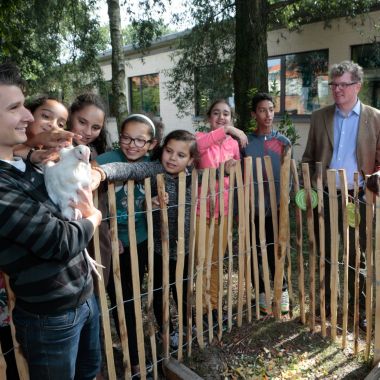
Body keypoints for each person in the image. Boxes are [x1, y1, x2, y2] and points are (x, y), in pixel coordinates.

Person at [0, 62, 102, 379]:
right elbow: (60, 241)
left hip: (84, 299)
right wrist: (93, 217)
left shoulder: (26, 162)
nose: (29, 116)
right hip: (50, 319)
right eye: (15, 107)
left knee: (90, 372)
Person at [95, 129, 198, 353]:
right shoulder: (155, 170)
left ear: (190, 160)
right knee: (161, 291)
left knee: (183, 289)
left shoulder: (195, 176)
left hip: (185, 248)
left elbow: (218, 174)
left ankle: (187, 325)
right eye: (169, 151)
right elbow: (131, 169)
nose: (172, 158)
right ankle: (167, 330)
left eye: (181, 155)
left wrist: (227, 170)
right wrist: (102, 173)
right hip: (159, 250)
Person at [302, 60, 380, 329]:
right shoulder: (319, 117)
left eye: (343, 85)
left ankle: (357, 309)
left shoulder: (376, 118)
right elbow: (309, 157)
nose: (337, 90)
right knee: (325, 251)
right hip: (327, 196)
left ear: (358, 86)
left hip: (358, 197)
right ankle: (324, 306)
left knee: (356, 255)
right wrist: (312, 183)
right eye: (333, 85)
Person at [96, 114, 160, 377]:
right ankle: (106, 360)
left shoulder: (152, 165)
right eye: (126, 137)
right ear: (118, 137)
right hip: (111, 245)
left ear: (151, 143)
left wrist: (156, 201)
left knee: (133, 301)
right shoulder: (104, 162)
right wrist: (110, 236)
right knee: (111, 302)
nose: (132, 144)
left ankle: (134, 357)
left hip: (141, 241)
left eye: (140, 140)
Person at [195, 99, 247, 327]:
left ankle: (213, 308)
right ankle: (200, 307)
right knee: (201, 261)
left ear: (232, 117)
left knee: (216, 261)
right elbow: (198, 151)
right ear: (209, 118)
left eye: (226, 114)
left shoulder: (233, 146)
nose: (221, 117)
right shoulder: (198, 138)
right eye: (216, 113)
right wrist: (226, 130)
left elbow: (234, 177)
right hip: (200, 210)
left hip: (223, 211)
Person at [244, 93, 291, 315]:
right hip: (253, 208)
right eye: (262, 110)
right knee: (256, 251)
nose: (268, 114)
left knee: (278, 248)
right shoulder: (245, 143)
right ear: (254, 114)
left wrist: (285, 199)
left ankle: (282, 291)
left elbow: (288, 175)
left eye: (271, 109)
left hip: (276, 207)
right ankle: (261, 292)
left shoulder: (282, 142)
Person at [67, 93, 113, 286]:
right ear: (70, 117)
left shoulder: (96, 152)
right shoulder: (53, 151)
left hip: (97, 233)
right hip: (68, 234)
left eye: (95, 127)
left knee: (97, 289)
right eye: (82, 122)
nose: (87, 131)